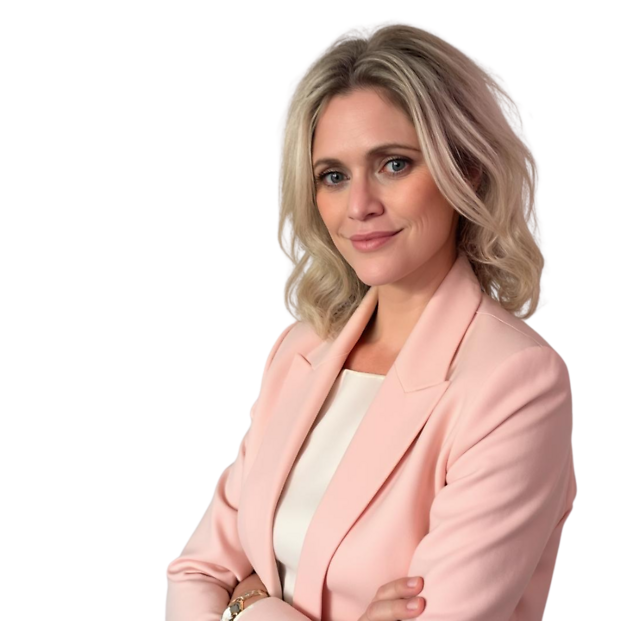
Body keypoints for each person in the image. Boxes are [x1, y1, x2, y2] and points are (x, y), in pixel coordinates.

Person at [163, 18, 577, 621]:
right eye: (333, 176)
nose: (359, 206)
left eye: (394, 164)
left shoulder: (516, 381)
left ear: (466, 168)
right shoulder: (298, 350)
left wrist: (247, 602)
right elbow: (193, 573)